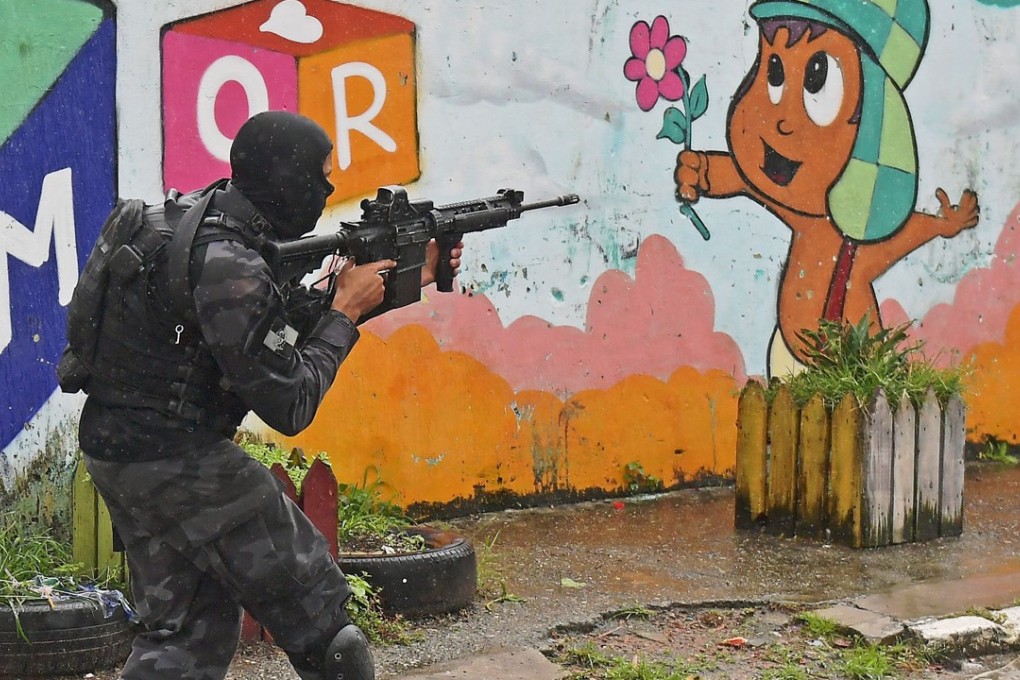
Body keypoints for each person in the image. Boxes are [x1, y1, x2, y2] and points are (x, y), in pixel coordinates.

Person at [75, 111, 461, 680]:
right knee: (326, 626)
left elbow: (261, 337)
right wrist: (344, 312)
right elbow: (290, 402)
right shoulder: (233, 264)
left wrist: (400, 281)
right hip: (178, 459)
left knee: (187, 636)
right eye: (320, 177)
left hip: (120, 449)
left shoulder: (199, 222)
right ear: (290, 179)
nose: (329, 191)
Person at [673, 0, 978, 378]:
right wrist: (702, 172)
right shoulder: (807, 217)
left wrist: (943, 225)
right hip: (786, 357)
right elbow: (744, 180)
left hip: (845, 374)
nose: (782, 121)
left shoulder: (857, 238)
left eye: (817, 79)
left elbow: (904, 232)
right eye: (774, 72)